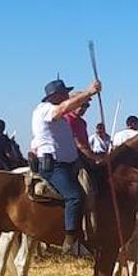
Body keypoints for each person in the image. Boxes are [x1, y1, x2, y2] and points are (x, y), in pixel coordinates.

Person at [31, 77, 102, 255]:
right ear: (55, 95)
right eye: (65, 93)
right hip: (53, 165)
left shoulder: (60, 116)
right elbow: (63, 108)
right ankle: (71, 238)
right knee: (75, 196)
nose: (67, 95)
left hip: (68, 163)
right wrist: (88, 92)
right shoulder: (45, 110)